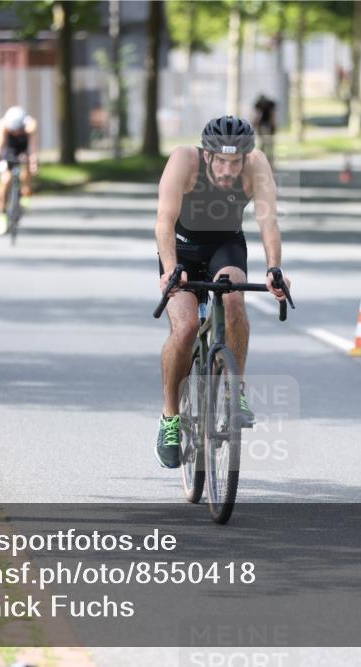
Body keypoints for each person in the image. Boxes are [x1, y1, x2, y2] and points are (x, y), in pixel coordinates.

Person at [154, 116, 290, 469]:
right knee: (183, 329)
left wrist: (274, 269)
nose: (229, 170)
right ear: (208, 155)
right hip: (182, 250)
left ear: (246, 158)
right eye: (222, 161)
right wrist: (170, 269)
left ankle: (235, 392)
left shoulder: (256, 165)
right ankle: (170, 417)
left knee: (234, 301)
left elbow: (267, 221)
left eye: (236, 162)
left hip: (225, 246)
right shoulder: (184, 161)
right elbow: (164, 221)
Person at [0, 106, 39, 235]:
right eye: (13, 130)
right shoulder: (3, 125)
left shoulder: (30, 126)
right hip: (9, 150)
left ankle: (26, 194)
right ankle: (2, 214)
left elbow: (33, 148)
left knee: (27, 170)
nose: (16, 133)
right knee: (5, 180)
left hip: (23, 150)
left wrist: (33, 162)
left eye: (18, 130)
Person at [252, 94, 277, 164]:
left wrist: (273, 126)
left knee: (268, 144)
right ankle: (264, 160)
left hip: (267, 125)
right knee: (264, 143)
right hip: (263, 124)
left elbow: (273, 115)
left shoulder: (270, 104)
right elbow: (257, 115)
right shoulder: (259, 105)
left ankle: (269, 160)